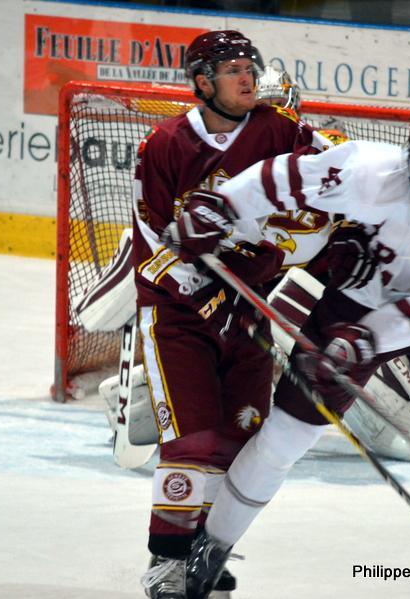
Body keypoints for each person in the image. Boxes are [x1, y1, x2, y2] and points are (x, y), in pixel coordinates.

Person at [175, 107, 410, 599]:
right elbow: (287, 177)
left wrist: (366, 340)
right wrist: (224, 205)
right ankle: (212, 544)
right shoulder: (370, 172)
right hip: (352, 304)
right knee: (285, 436)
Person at [132, 32, 338, 599]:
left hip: (248, 311)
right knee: (193, 441)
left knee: (237, 440)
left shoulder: (279, 130)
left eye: (251, 67)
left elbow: (334, 169)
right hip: (177, 317)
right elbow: (151, 239)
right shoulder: (164, 146)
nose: (248, 78)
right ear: (203, 82)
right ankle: (167, 560)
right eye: (234, 70)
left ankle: (206, 552)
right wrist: (202, 292)